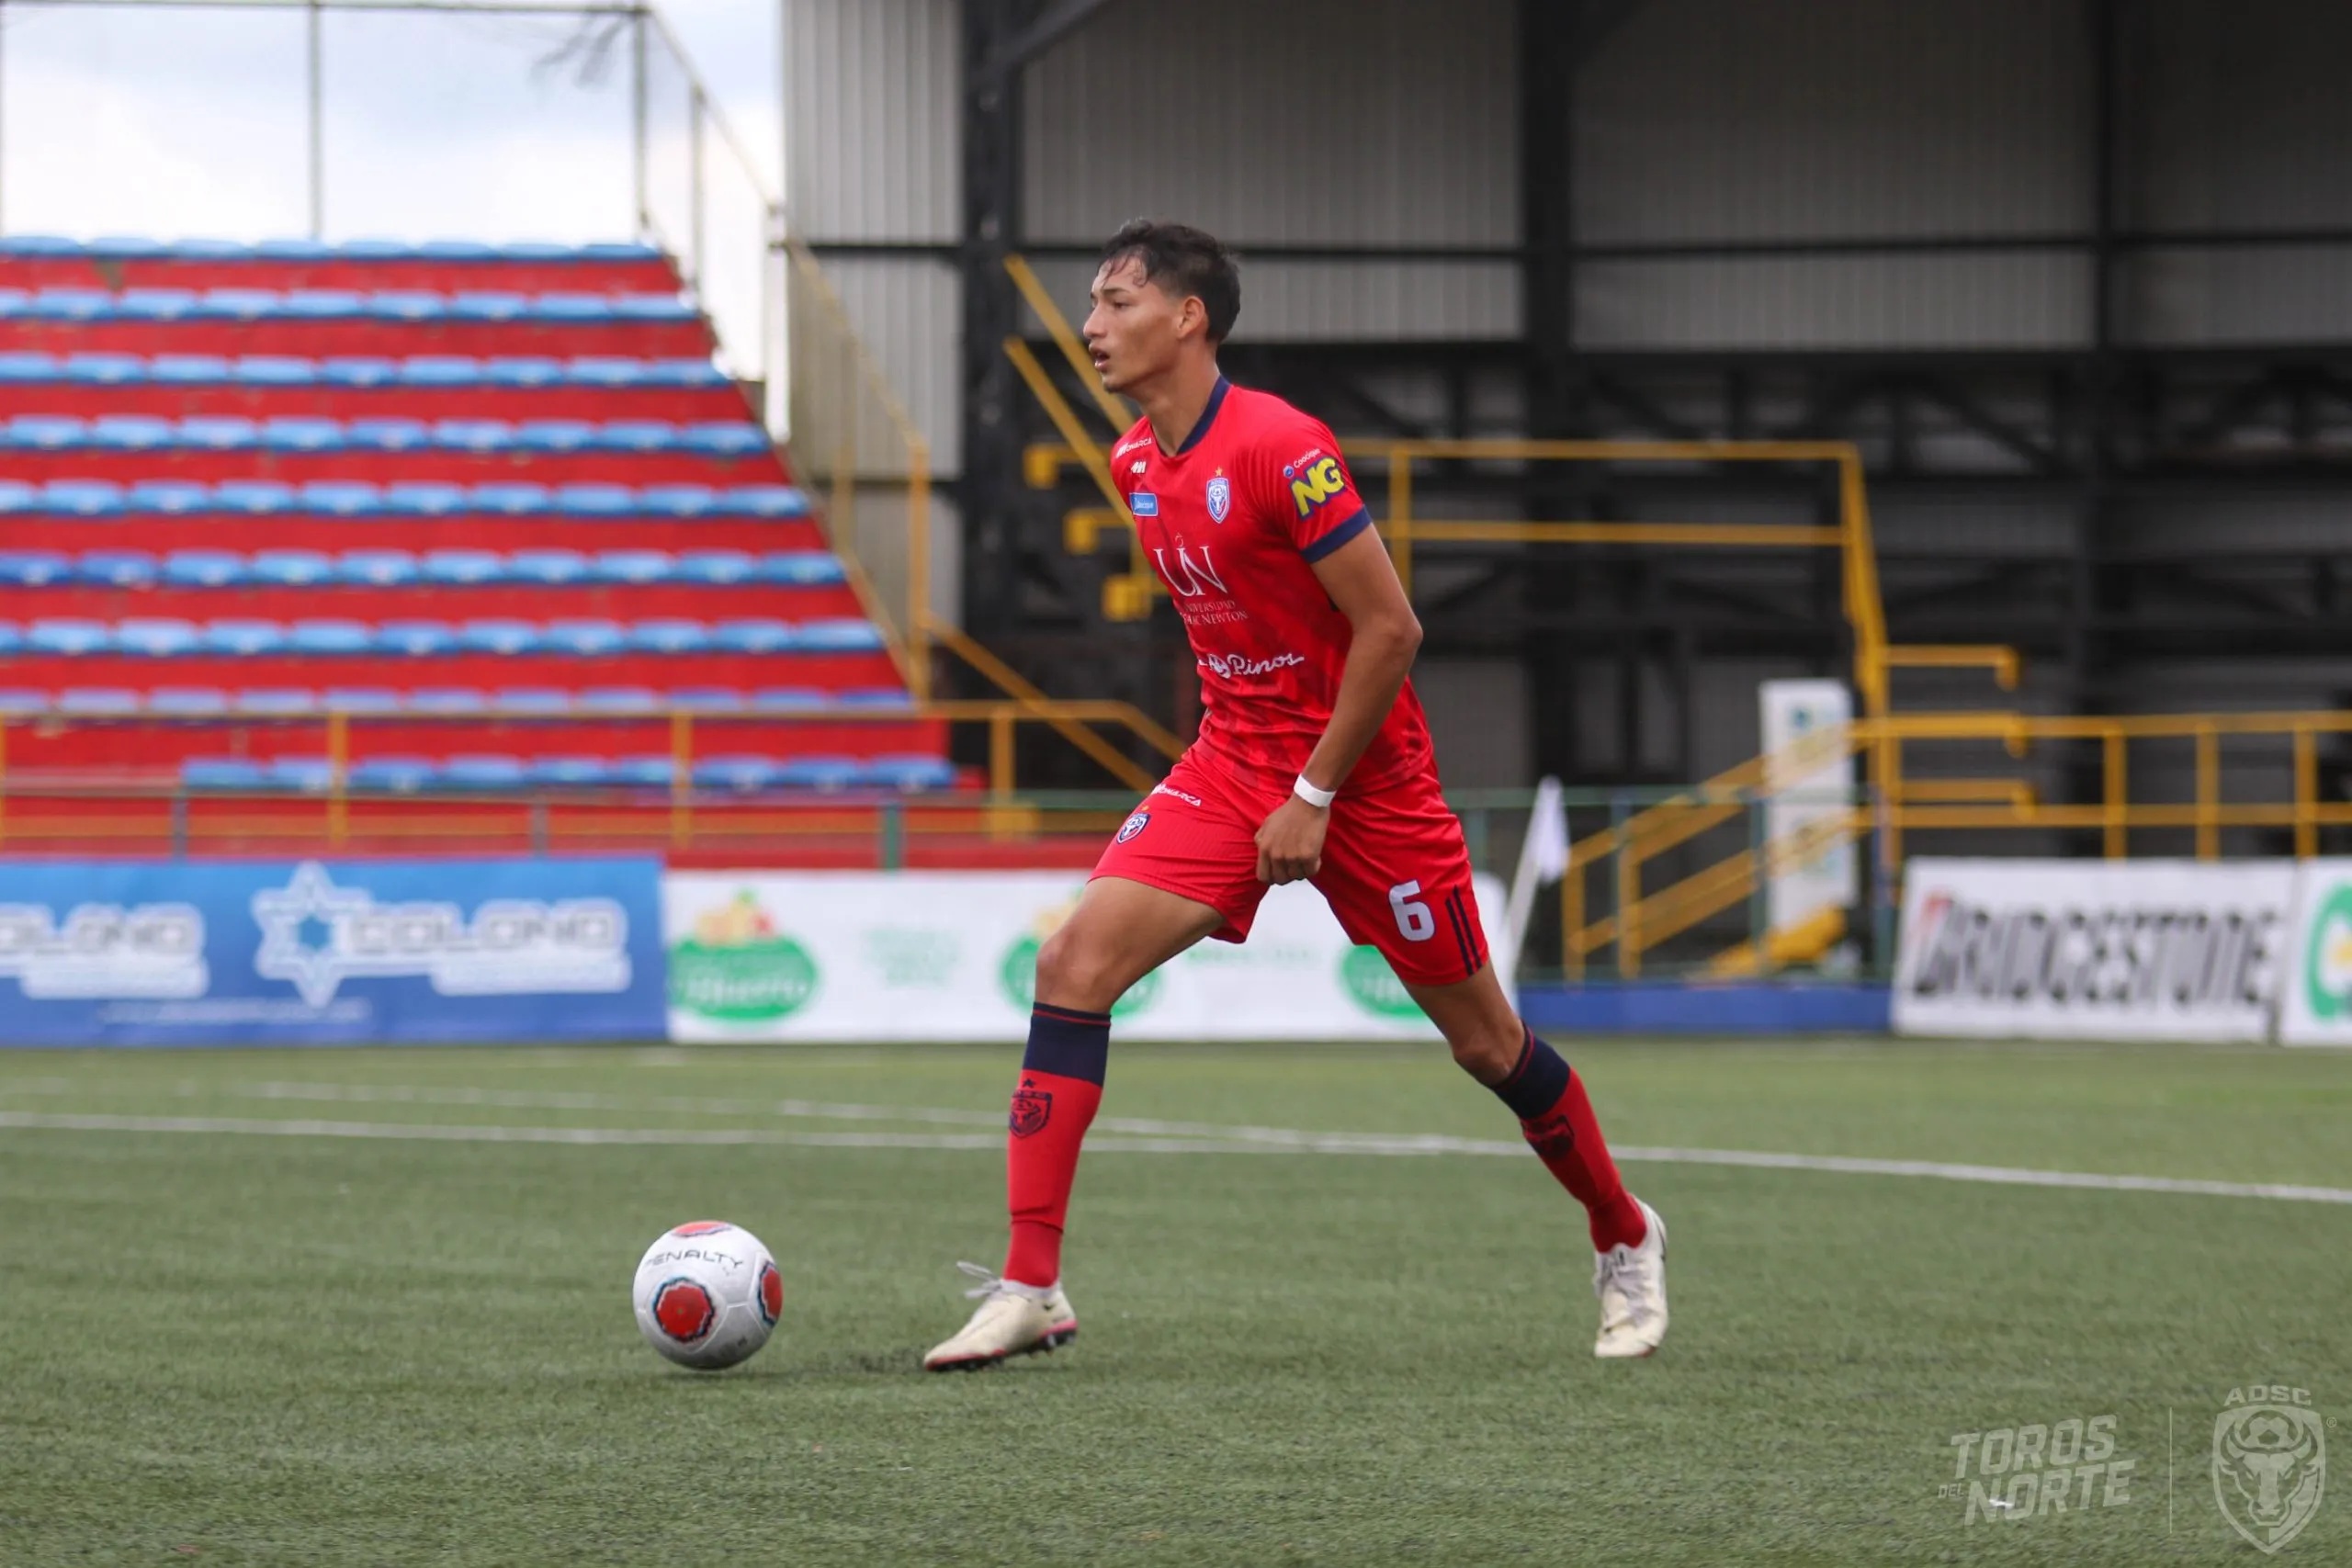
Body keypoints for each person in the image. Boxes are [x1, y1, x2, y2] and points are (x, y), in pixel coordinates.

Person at [924, 220, 1668, 1370]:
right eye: (1092, 303)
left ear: (1188, 318)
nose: (1090, 326)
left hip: (1366, 785)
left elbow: (1391, 629)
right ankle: (1031, 1285)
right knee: (1071, 965)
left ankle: (1621, 1231)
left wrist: (1314, 791)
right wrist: (1261, 774)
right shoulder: (1132, 464)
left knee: (1486, 1046)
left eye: (1117, 301)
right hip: (1231, 766)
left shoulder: (1284, 448)